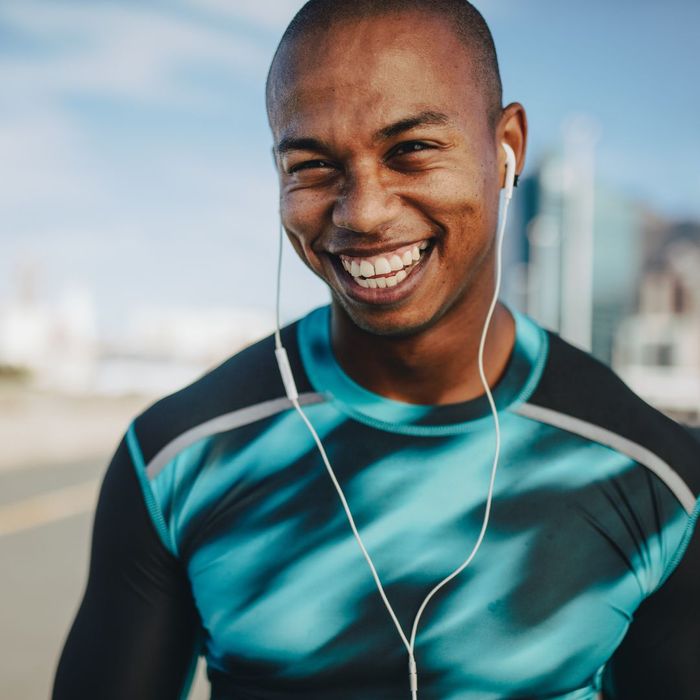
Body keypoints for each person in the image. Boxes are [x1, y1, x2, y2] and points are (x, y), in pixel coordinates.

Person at [53, 1, 700, 699]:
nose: (361, 212)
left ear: (506, 145)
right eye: (313, 165)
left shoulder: (657, 476)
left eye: (410, 150)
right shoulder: (177, 458)